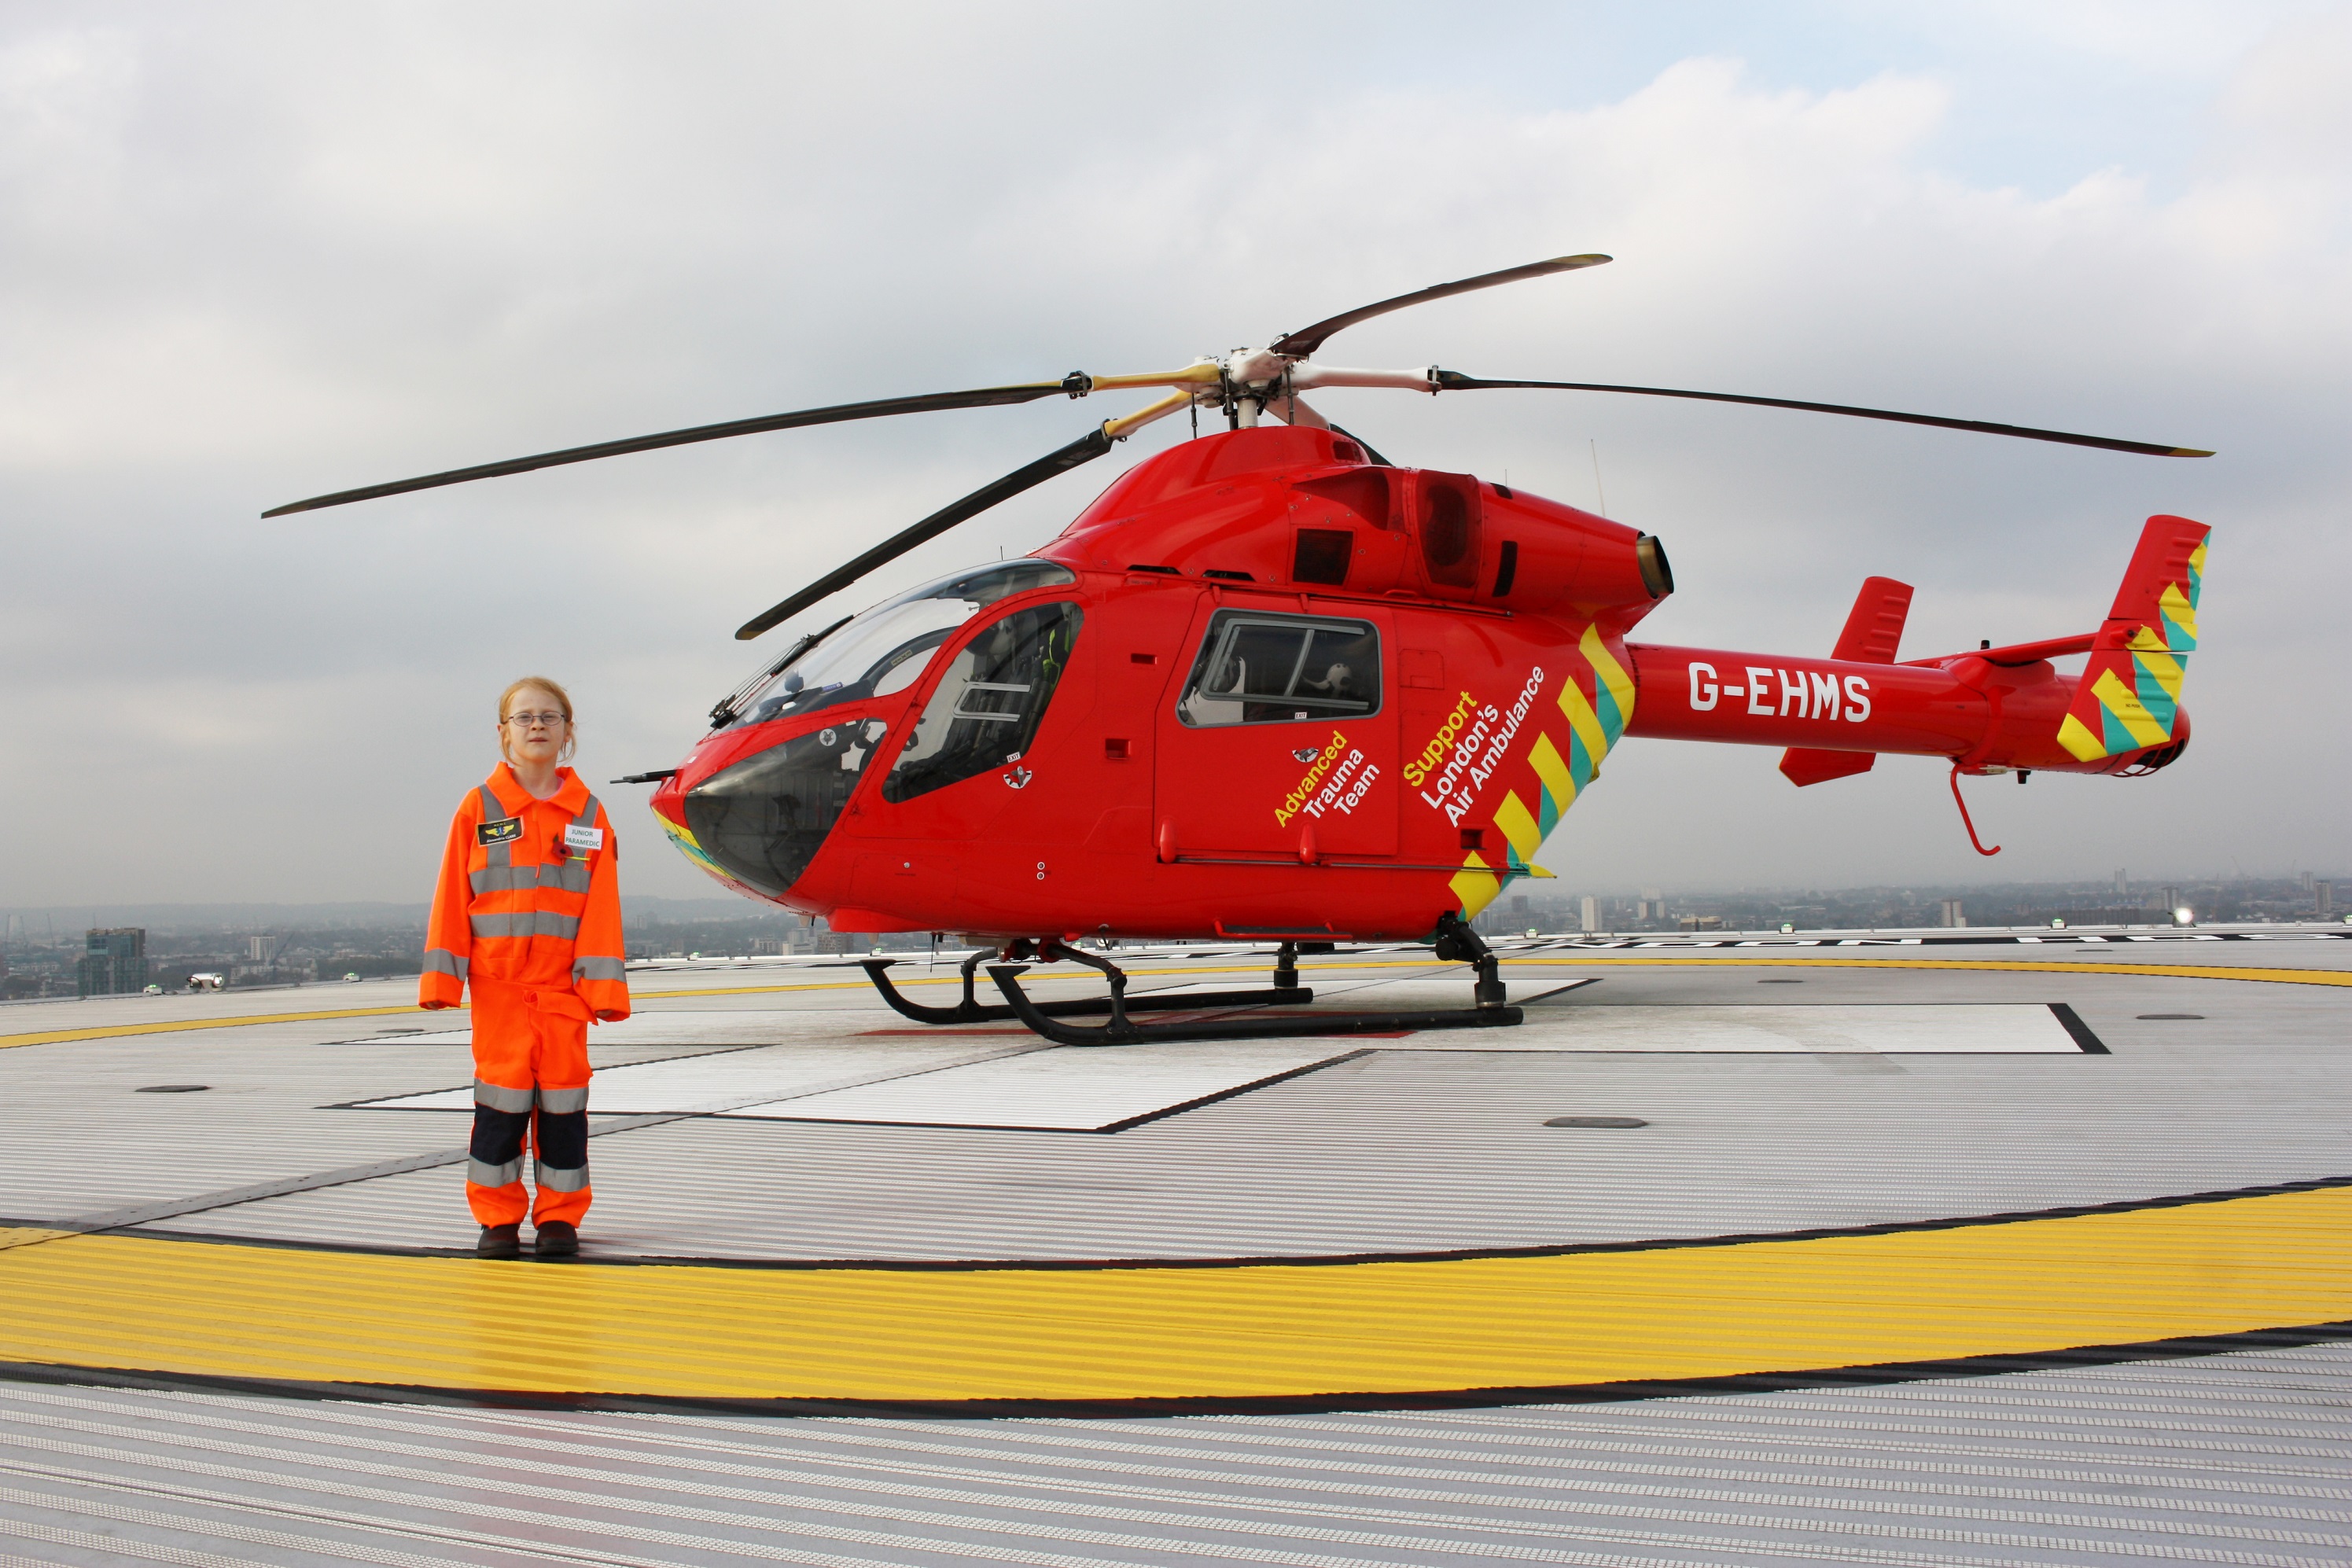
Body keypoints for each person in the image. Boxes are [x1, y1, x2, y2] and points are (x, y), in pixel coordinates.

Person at [421, 677, 629, 1259]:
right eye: (524, 717)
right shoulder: (478, 807)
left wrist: (604, 989)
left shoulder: (588, 813)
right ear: (503, 733)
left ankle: (560, 1219)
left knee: (564, 1108)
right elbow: (450, 897)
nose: (537, 725)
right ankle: (498, 1219)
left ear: (568, 732)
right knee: (500, 1109)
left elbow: (601, 907)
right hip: (499, 992)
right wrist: (443, 980)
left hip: (564, 992)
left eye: (549, 716)